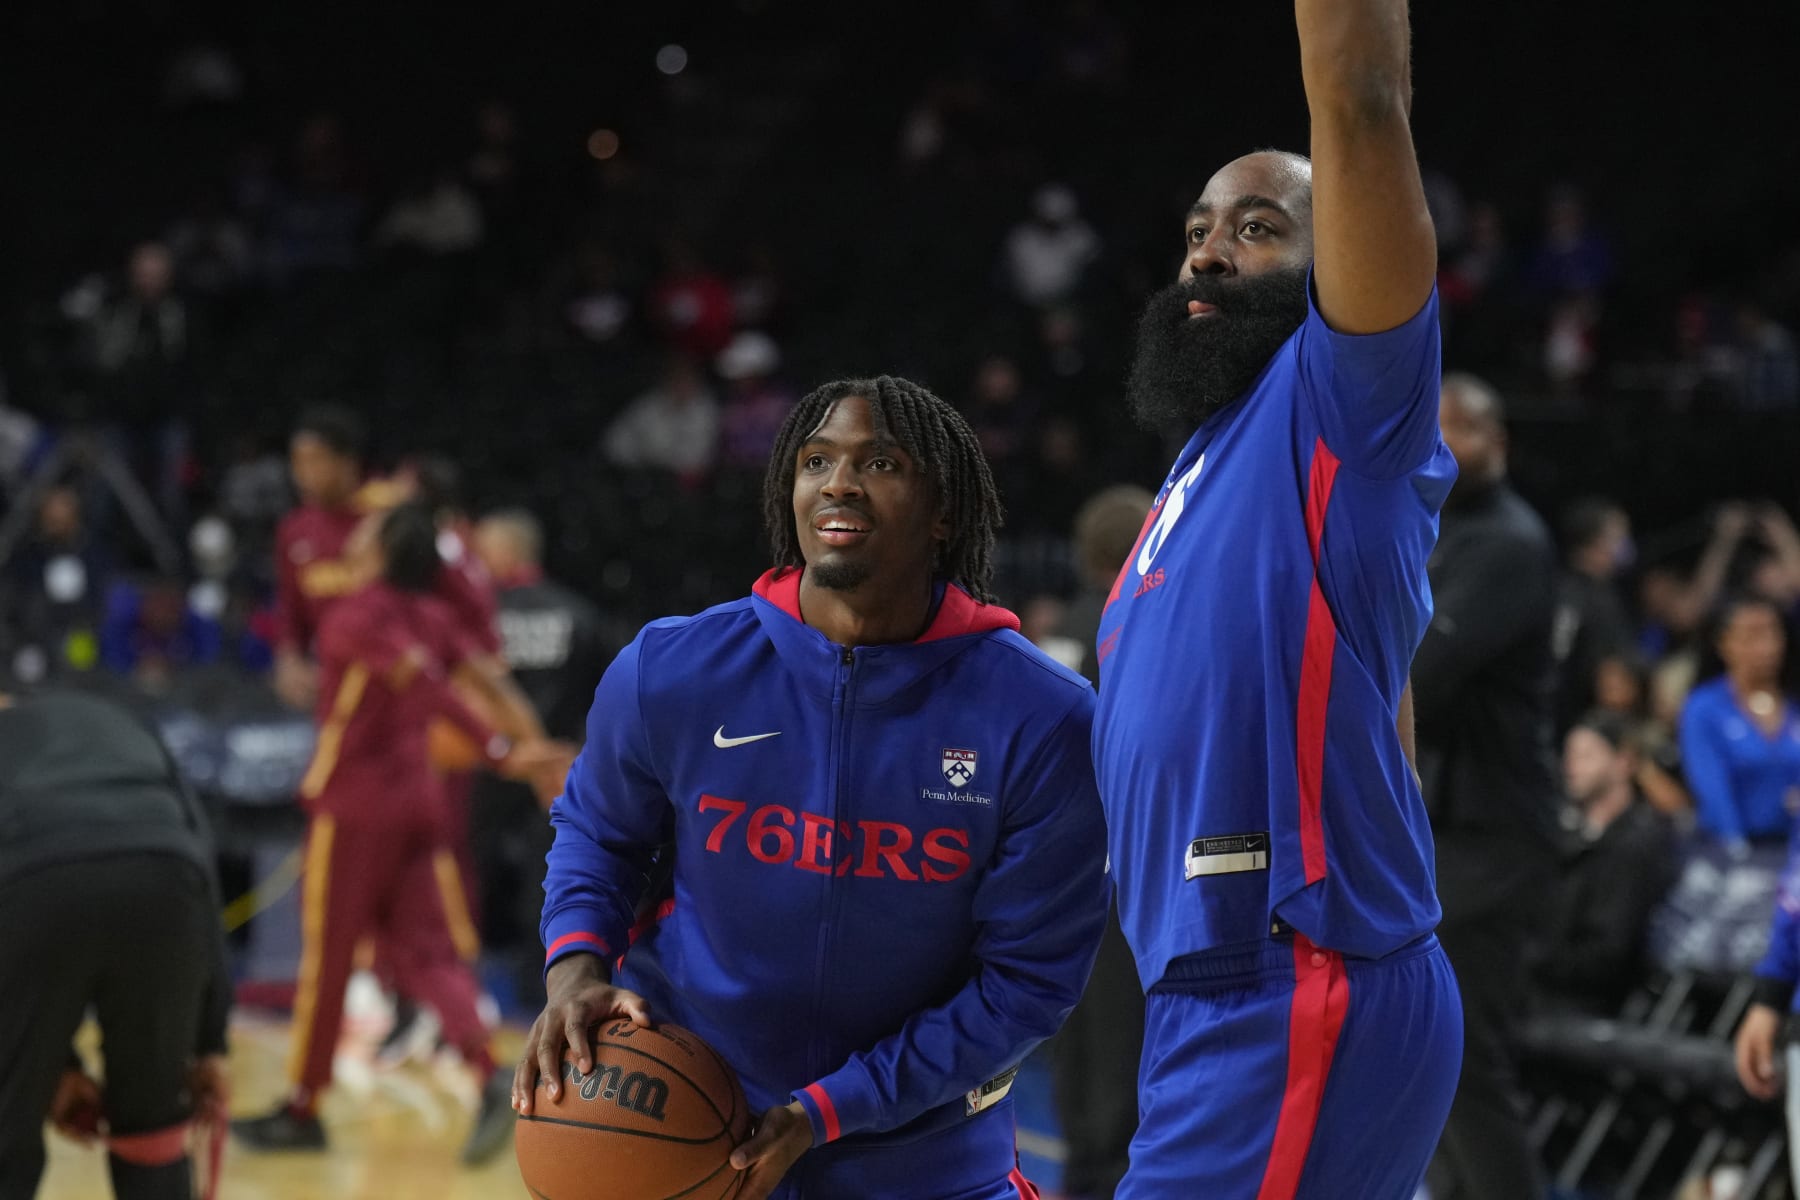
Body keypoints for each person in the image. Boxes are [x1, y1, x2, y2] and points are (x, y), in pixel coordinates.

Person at [514, 376, 1110, 1200]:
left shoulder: (1044, 720)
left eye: (882, 462)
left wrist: (827, 1112)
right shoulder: (673, 669)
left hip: (921, 1163)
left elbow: (1026, 985)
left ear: (944, 513)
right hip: (684, 1123)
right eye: (816, 460)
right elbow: (597, 834)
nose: (837, 482)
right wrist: (574, 970)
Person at [1090, 2, 1462, 1195]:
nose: (1207, 250)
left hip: (1292, 978)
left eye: (1259, 228)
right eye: (1199, 228)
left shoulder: (1345, 394)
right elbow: (1379, 687)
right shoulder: (1202, 462)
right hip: (1233, 985)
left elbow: (1359, 95)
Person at [232, 503, 571, 1164]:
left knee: (329, 959)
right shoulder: (436, 615)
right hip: (418, 802)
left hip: (356, 808)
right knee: (429, 953)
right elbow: (477, 679)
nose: (357, 528)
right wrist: (519, 746)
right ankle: (484, 1070)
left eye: (371, 526)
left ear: (384, 549)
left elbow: (431, 689)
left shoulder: (357, 615)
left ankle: (302, 1105)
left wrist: (503, 750)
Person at [1416, 373, 1560, 1200]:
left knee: (1469, 1063)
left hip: (1496, 839)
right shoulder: (1443, 531)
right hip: (1448, 834)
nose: (1435, 449)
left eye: (1452, 433)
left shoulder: (1508, 542)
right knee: (1431, 1058)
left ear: (1493, 439)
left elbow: (1422, 675)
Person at [0, 687, 230, 1200]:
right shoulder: (112, 719)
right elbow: (199, 864)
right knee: (153, 1132)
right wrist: (208, 1041)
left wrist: (46, 1065)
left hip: (31, 883)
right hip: (165, 879)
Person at [1046, 485, 1153, 1200]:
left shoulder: (1057, 637)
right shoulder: (1145, 628)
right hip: (1125, 873)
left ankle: (1080, 1177)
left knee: (1072, 1055)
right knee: (1121, 1058)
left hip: (1056, 876)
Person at [1530, 712, 1678, 1015]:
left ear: (1623, 762)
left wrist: (1530, 958)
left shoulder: (1638, 844)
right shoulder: (1562, 834)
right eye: (1569, 755)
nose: (1570, 767)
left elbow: (1608, 951)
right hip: (1543, 984)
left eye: (1586, 755)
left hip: (1594, 1001)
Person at [271, 405, 377, 710]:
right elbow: (290, 613)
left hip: (389, 682)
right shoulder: (294, 530)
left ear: (347, 462)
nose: (303, 474)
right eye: (297, 463)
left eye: (314, 460)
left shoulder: (385, 519)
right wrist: (289, 663)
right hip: (329, 687)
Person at [1679, 595, 1800, 850]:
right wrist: (1737, 852)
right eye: (1752, 636)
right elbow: (1713, 791)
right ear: (1723, 644)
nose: (1768, 647)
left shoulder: (1794, 701)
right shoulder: (1704, 708)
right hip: (1735, 853)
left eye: (1773, 633)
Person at [1553, 497, 1637, 736]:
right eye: (1619, 536)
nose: (1624, 544)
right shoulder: (1583, 598)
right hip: (1583, 727)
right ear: (1595, 541)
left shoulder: (1566, 589)